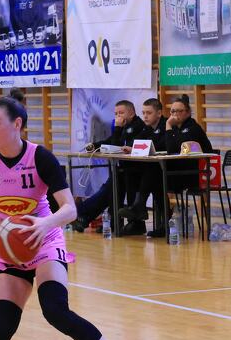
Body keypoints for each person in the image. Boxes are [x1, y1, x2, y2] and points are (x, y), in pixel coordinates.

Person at [0, 97, 145, 340]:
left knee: (55, 310)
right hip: (8, 251)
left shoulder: (40, 158)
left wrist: (44, 224)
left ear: (17, 124)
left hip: (44, 242)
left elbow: (70, 210)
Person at [119, 94, 212, 234]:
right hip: (179, 171)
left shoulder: (192, 128)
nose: (175, 114)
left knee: (155, 172)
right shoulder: (176, 128)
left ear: (188, 112)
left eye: (179, 111)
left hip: (195, 175)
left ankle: (142, 207)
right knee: (149, 173)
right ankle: (161, 223)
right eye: (172, 111)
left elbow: (172, 149)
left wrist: (168, 125)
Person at [72, 100, 145, 234]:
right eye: (116, 114)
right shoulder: (124, 126)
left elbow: (116, 147)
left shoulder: (138, 126)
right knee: (110, 187)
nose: (118, 116)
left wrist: (117, 128)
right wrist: (94, 146)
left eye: (121, 113)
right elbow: (110, 141)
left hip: (137, 171)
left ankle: (82, 214)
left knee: (110, 187)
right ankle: (89, 217)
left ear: (131, 113)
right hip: (123, 170)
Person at [118, 98, 168, 237]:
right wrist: (131, 147)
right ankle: (137, 212)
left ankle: (139, 206)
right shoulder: (147, 128)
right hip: (158, 170)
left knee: (152, 172)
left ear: (159, 113)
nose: (145, 116)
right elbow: (138, 141)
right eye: (144, 113)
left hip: (173, 170)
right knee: (130, 172)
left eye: (149, 113)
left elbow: (162, 145)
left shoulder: (166, 125)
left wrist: (139, 147)